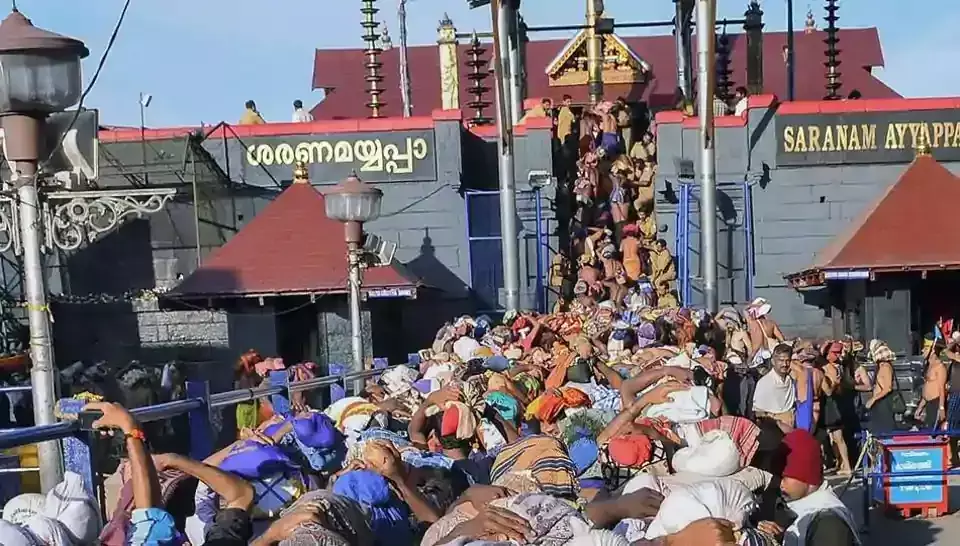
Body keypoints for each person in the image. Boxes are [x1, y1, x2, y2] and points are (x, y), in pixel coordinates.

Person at [774, 430, 860, 545]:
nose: (780, 483)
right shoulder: (803, 506)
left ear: (806, 476)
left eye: (784, 477)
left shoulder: (828, 524)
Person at [753, 343, 797, 431]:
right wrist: (777, 418)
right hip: (773, 428)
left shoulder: (791, 380)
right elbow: (757, 412)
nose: (785, 364)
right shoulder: (765, 382)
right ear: (773, 361)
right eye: (781, 360)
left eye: (787, 360)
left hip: (792, 425)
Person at [865, 340, 898, 432]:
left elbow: (887, 388)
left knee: (884, 430)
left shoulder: (885, 367)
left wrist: (873, 399)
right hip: (879, 403)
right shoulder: (880, 366)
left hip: (883, 403)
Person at [917, 340, 948, 430]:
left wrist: (941, 408)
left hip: (936, 403)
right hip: (928, 403)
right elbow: (927, 387)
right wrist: (920, 407)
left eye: (926, 348)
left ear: (933, 350)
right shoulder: (929, 365)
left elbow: (941, 389)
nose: (922, 350)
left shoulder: (940, 367)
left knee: (933, 432)